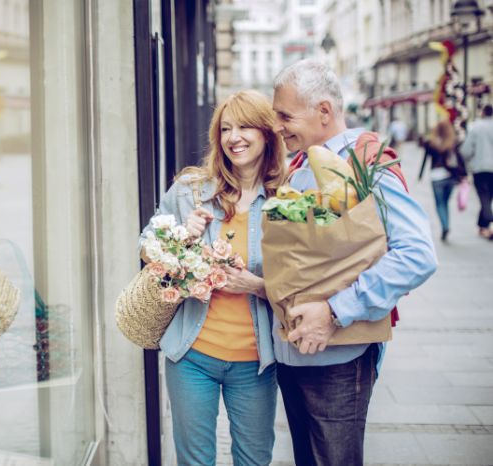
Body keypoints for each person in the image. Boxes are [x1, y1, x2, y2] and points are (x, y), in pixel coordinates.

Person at [271, 59, 437, 466]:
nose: (277, 126)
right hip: (294, 352)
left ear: (324, 111)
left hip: (339, 355)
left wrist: (334, 312)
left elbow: (417, 254)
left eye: (285, 116)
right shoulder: (300, 165)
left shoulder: (367, 162)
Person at [139, 90, 285, 466]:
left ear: (267, 133)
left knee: (254, 459)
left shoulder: (286, 198)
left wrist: (256, 286)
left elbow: (305, 280)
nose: (233, 137)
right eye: (225, 129)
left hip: (256, 362)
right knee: (195, 461)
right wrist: (184, 234)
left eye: (245, 126)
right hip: (193, 354)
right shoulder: (191, 191)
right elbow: (146, 248)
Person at [418, 120, 467, 241]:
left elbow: (425, 159)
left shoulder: (431, 142)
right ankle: (446, 225)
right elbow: (460, 159)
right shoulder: (452, 142)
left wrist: (420, 174)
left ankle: (445, 226)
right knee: (445, 202)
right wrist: (464, 174)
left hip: (436, 176)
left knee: (440, 204)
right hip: (450, 177)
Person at [459, 104, 493, 240]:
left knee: (484, 197)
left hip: (480, 168)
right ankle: (482, 225)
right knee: (488, 197)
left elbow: (465, 151)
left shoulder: (476, 127)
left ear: (483, 113)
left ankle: (489, 220)